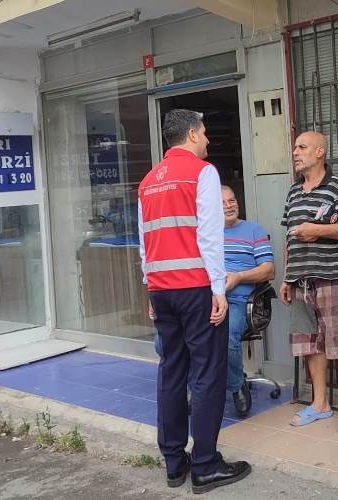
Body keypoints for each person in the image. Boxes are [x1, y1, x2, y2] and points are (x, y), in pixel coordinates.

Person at [138, 109, 251, 494]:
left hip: (162, 290)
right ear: (189, 134)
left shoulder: (148, 181)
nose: (207, 140)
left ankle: (174, 463)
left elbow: (145, 242)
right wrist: (218, 289)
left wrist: (150, 287)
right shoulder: (202, 173)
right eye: (203, 133)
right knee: (206, 374)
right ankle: (205, 465)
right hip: (195, 289)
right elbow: (209, 234)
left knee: (171, 372)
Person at [279, 131, 338, 433]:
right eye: (294, 148)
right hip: (300, 280)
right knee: (310, 344)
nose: (295, 152)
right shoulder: (293, 192)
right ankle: (320, 404)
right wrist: (286, 277)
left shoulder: (336, 188)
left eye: (302, 147)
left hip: (332, 278)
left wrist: (318, 230)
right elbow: (288, 236)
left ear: (320, 152)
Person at [222, 185, 275, 417]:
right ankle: (197, 388)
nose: (229, 205)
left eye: (232, 200)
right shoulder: (205, 234)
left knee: (226, 337)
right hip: (209, 298)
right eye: (222, 203)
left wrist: (238, 277)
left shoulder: (254, 231)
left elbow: (269, 270)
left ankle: (236, 386)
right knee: (189, 334)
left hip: (241, 301)